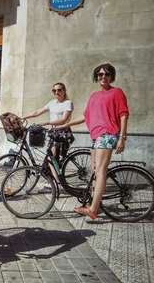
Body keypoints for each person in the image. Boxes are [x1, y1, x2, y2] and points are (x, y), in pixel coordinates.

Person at [58, 64, 128, 220]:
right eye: (100, 74)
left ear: (111, 76)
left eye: (107, 74)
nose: (103, 77)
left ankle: (93, 209)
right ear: (96, 77)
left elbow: (123, 115)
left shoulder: (116, 92)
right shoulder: (94, 95)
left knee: (101, 170)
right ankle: (92, 203)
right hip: (96, 136)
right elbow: (85, 116)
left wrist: (122, 137)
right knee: (94, 170)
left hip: (108, 133)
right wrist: (64, 125)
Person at [22, 82, 74, 191]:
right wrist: (25, 116)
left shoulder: (68, 103)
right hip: (54, 132)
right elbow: (38, 112)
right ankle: (54, 182)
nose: (57, 92)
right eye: (54, 90)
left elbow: (64, 119)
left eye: (59, 90)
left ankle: (56, 183)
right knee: (50, 158)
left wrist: (48, 122)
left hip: (62, 133)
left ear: (64, 91)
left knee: (52, 158)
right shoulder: (52, 103)